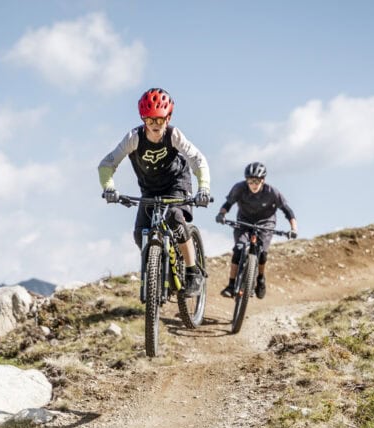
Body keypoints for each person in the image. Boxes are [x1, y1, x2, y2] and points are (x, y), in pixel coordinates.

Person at [98, 87, 212, 296]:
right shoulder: (134, 137)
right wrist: (109, 188)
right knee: (139, 233)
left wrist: (204, 188)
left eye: (159, 120)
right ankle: (158, 266)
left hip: (176, 184)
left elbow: (198, 160)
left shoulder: (173, 135)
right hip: (150, 189)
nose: (155, 125)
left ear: (168, 118)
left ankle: (192, 271)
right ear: (143, 119)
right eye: (150, 120)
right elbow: (106, 164)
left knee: (175, 218)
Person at [215, 162, 298, 299]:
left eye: (257, 181)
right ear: (246, 180)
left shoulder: (272, 192)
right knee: (239, 249)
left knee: (262, 254)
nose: (253, 184)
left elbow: (287, 211)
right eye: (250, 181)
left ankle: (260, 278)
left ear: (262, 180)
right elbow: (228, 204)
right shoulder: (239, 188)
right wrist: (221, 214)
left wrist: (293, 229)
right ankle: (231, 285)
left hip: (266, 223)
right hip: (244, 221)